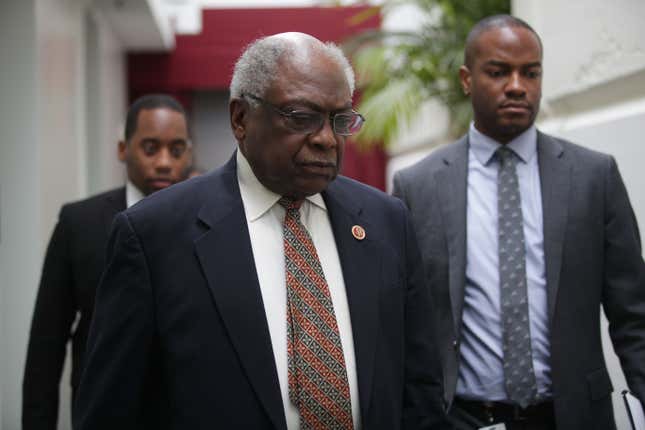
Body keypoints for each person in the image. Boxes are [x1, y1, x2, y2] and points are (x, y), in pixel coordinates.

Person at [73, 33, 450, 430]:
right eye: (301, 117)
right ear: (240, 118)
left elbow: (420, 389)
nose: (325, 139)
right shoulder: (154, 236)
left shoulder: (385, 223)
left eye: (340, 121)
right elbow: (109, 410)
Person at [393, 14, 645, 430]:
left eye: (530, 73)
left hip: (573, 417)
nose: (516, 86)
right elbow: (403, 326)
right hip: (464, 419)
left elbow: (634, 315)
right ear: (466, 79)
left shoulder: (593, 177)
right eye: (498, 72)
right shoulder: (417, 187)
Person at [22, 94, 193, 429]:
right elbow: (47, 343)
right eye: (150, 147)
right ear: (122, 149)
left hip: (183, 410)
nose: (163, 162)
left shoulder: (205, 221)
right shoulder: (78, 223)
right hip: (101, 411)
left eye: (176, 150)